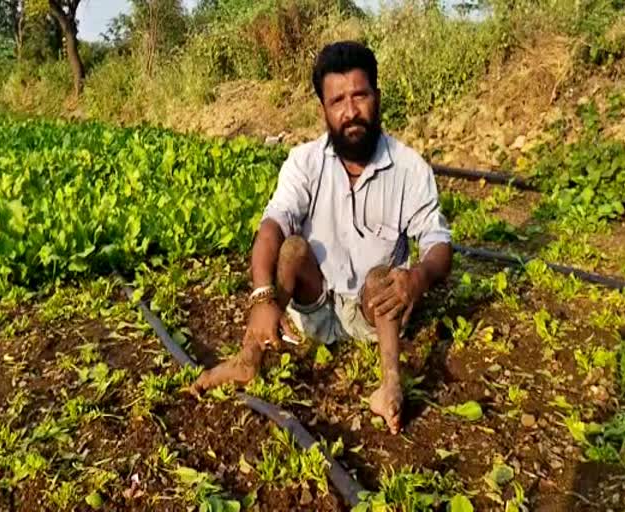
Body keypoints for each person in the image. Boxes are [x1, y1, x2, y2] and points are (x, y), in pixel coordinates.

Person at [190, 41, 453, 435]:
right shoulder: (304, 161)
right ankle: (247, 358)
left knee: (385, 274)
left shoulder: (409, 168)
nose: (351, 112)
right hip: (313, 306)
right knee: (293, 248)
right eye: (338, 101)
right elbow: (272, 228)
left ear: (377, 98)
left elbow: (437, 243)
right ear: (323, 110)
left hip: (371, 313)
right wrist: (263, 297)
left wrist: (417, 277)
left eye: (360, 96)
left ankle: (391, 384)